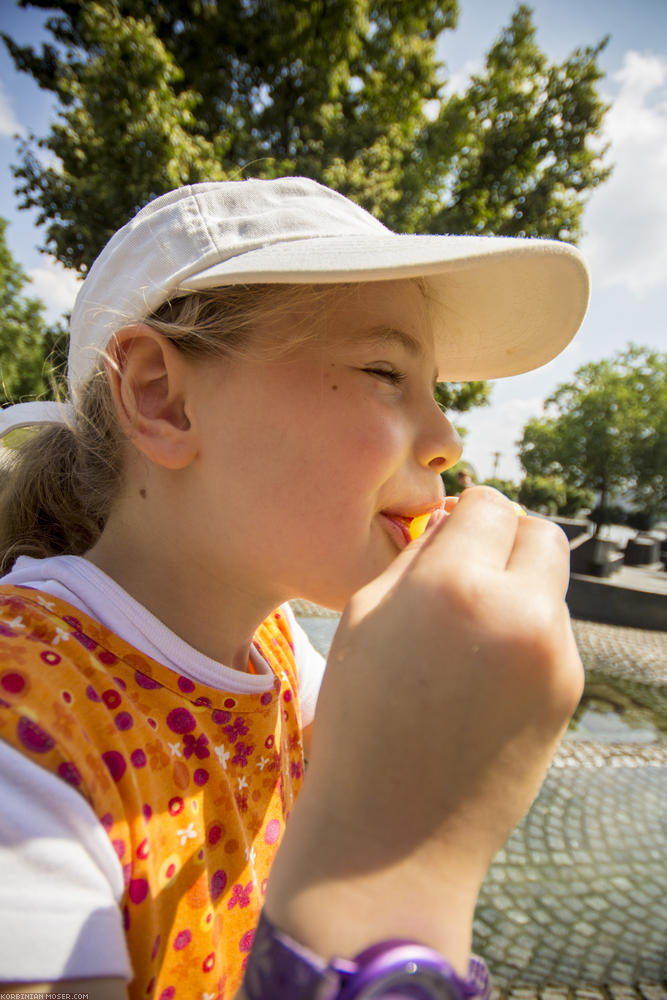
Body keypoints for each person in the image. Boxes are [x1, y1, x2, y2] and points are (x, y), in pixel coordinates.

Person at [0, 177, 587, 999]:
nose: (448, 439)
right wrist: (405, 863)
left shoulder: (275, 644)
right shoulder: (21, 739)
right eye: (386, 370)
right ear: (161, 399)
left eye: (437, 391)